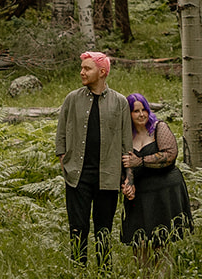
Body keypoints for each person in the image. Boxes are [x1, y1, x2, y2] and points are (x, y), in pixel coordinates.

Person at [55, 51, 132, 265]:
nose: (82, 72)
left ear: (102, 72)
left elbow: (127, 143)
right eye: (82, 68)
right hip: (77, 175)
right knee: (78, 227)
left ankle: (104, 272)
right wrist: (64, 162)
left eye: (87, 68)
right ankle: (78, 269)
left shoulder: (120, 102)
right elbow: (61, 134)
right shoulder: (72, 99)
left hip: (108, 176)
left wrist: (128, 176)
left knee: (103, 227)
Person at [118, 92, 192, 263]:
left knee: (161, 238)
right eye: (136, 111)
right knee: (139, 239)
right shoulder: (125, 136)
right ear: (128, 113)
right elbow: (124, 163)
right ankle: (143, 278)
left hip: (164, 189)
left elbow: (170, 155)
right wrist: (127, 184)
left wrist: (141, 161)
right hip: (141, 193)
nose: (141, 114)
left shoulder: (159, 128)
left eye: (144, 109)